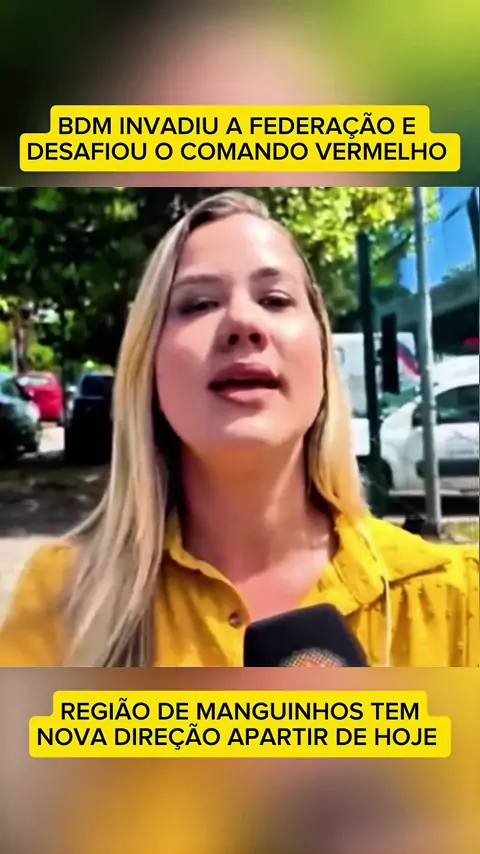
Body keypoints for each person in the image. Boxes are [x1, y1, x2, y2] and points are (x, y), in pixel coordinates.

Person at [0, 191, 477, 667]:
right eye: (199, 303)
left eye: (275, 299)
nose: (243, 322)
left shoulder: (456, 600)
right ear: (149, 364)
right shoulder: (61, 600)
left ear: (321, 351)